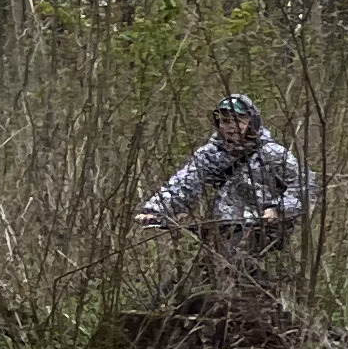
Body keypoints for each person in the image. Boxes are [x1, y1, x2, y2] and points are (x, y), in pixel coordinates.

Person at [133, 94, 315, 280]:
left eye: (239, 120)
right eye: (225, 121)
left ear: (252, 121)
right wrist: (155, 210)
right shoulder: (210, 154)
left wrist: (278, 209)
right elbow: (184, 183)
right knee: (195, 276)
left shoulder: (272, 153)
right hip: (223, 227)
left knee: (234, 266)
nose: (231, 127)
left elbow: (305, 185)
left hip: (264, 228)